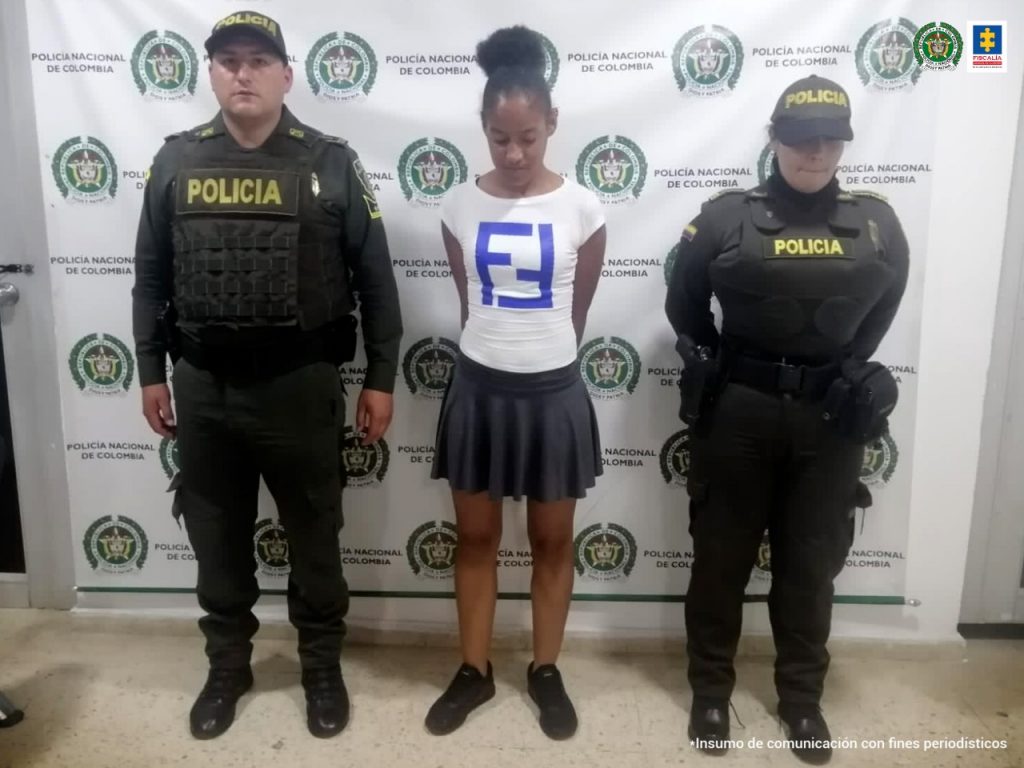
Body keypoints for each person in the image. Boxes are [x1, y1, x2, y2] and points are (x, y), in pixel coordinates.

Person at [131, 10, 402, 740]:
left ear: (287, 74)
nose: (243, 73)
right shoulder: (176, 161)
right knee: (217, 537)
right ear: (211, 72)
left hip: (301, 385)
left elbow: (375, 280)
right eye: (229, 61)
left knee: (315, 536)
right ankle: (228, 667)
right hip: (205, 387)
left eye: (258, 60)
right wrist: (149, 369)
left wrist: (381, 375)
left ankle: (321, 668)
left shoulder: (330, 162)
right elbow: (150, 275)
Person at [665, 75, 909, 764]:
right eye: (801, 138)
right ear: (774, 139)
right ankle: (711, 691)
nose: (816, 151)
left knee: (809, 568)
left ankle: (801, 701)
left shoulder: (876, 223)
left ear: (844, 144)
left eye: (830, 139)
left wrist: (845, 369)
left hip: (829, 419)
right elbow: (684, 309)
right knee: (720, 562)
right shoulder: (722, 216)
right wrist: (717, 363)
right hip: (738, 410)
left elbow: (881, 312)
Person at [424, 26, 606, 741]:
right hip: (479, 392)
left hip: (553, 395)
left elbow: (577, 312)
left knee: (553, 541)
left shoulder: (585, 209)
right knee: (475, 539)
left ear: (552, 124)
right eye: (500, 139)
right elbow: (468, 303)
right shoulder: (457, 206)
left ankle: (545, 668)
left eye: (529, 137)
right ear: (484, 130)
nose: (515, 154)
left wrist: (542, 359)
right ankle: (474, 669)